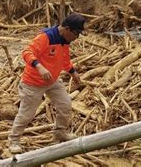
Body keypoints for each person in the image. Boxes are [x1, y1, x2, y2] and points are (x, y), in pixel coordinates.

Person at [8, 12, 86, 154]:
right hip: (33, 83)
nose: (77, 37)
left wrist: (72, 71)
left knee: (65, 104)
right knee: (27, 114)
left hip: (52, 81)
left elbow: (64, 60)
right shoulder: (46, 37)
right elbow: (27, 52)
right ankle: (13, 140)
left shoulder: (65, 41)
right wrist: (39, 66)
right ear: (67, 29)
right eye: (76, 33)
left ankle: (60, 132)